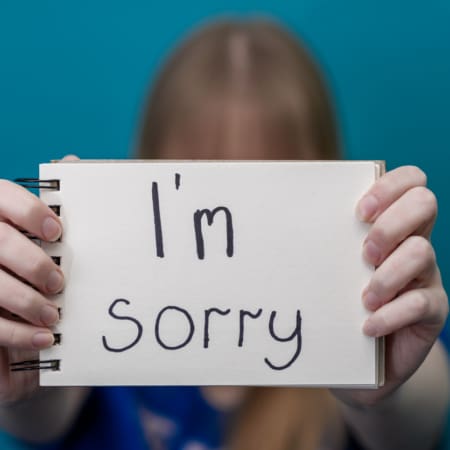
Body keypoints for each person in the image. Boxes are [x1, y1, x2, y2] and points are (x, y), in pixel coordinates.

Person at [0, 19, 448, 450]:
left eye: (265, 188)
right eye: (202, 183)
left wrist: (382, 387)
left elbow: (413, 424)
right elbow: (40, 413)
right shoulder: (99, 314)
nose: (227, 232)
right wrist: (26, 366)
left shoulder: (370, 310)